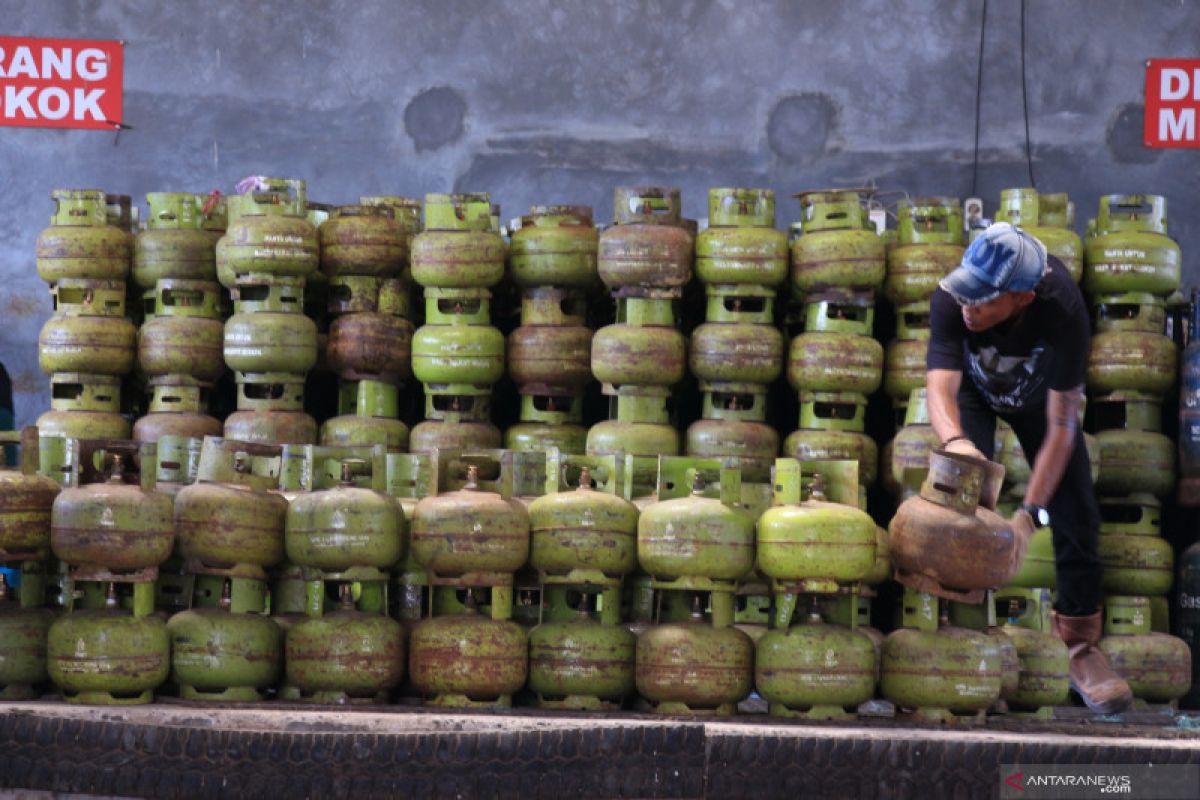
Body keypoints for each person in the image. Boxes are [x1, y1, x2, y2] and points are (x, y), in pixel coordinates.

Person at [925, 221, 1133, 715]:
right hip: (974, 395)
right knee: (962, 505)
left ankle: (1081, 651)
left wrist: (1029, 515)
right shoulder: (952, 299)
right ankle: (963, 641)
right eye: (966, 296)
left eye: (984, 301)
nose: (969, 308)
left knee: (1076, 510)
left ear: (1022, 296)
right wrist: (957, 444)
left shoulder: (1063, 310)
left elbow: (1063, 425)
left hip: (1041, 404)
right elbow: (939, 388)